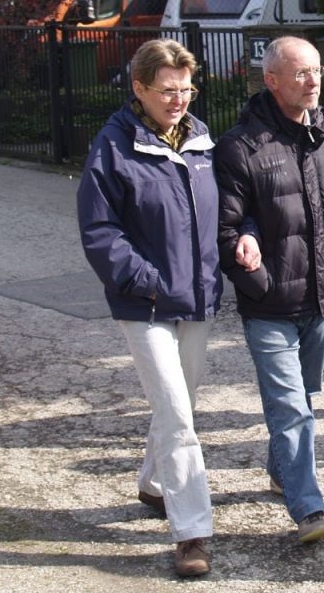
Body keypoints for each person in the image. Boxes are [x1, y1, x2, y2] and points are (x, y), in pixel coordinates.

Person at [77, 39, 220, 577]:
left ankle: (155, 485)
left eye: (186, 89)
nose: (179, 99)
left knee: (179, 400)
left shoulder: (202, 139)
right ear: (138, 88)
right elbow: (99, 230)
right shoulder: (113, 146)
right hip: (146, 303)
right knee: (180, 416)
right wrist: (147, 281)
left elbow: (220, 212)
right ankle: (192, 533)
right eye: (167, 91)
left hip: (199, 296)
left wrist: (243, 238)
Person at [214, 36, 324, 544]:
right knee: (291, 406)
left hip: (323, 301)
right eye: (300, 73)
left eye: (317, 71)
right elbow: (225, 230)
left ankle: (280, 472)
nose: (313, 81)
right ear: (271, 80)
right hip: (271, 305)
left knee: (306, 396)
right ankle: (308, 508)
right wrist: (258, 281)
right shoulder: (241, 147)